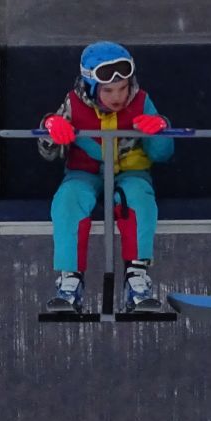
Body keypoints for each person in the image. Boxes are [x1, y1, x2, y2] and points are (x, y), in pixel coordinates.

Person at [39, 41, 174, 313]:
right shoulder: (75, 103)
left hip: (129, 170)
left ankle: (137, 277)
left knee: (137, 199)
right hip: (85, 170)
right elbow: (49, 152)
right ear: (92, 87)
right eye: (109, 90)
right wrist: (50, 129)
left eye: (123, 88)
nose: (118, 97)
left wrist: (160, 131)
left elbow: (162, 155)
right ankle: (70, 279)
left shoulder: (140, 102)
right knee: (69, 200)